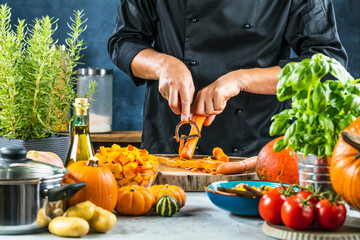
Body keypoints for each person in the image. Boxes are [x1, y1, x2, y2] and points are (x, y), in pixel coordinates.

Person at [108, 0, 347, 157]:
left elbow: (328, 66)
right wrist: (163, 65)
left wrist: (241, 79)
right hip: (169, 147)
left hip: (258, 151)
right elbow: (124, 42)